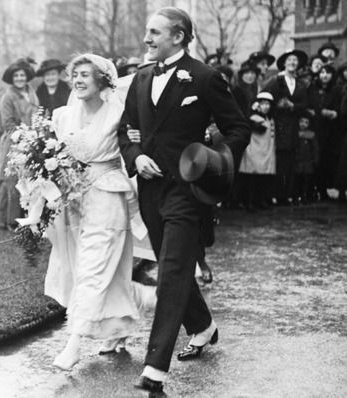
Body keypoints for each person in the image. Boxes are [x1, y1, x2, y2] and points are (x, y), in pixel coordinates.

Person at [118, 7, 250, 393]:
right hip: (151, 192)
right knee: (172, 265)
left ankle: (154, 369)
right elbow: (126, 133)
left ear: (178, 36)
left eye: (155, 33)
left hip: (188, 193)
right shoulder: (142, 77)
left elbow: (238, 128)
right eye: (147, 32)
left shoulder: (206, 78)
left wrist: (214, 159)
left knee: (172, 273)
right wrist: (135, 158)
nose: (147, 39)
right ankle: (203, 327)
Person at [43, 54, 156, 371]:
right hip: (76, 203)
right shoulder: (63, 116)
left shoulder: (119, 113)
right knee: (92, 271)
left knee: (93, 272)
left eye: (85, 75)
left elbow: (141, 141)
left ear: (102, 80)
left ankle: (74, 344)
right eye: (74, 74)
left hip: (108, 198)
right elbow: (53, 156)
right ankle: (123, 323)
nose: (77, 80)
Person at [0, 59, 39, 230]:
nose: (20, 78)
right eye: (16, 76)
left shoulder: (32, 93)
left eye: (22, 75)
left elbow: (36, 115)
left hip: (31, 141)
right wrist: (23, 135)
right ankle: (9, 220)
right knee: (11, 180)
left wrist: (36, 134)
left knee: (30, 179)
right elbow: (8, 123)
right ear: (12, 79)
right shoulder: (8, 97)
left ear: (27, 77)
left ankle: (28, 217)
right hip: (14, 142)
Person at [264, 49, 309, 206]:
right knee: (279, 161)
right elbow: (265, 99)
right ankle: (274, 194)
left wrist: (293, 106)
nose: (292, 63)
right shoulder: (276, 80)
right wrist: (277, 105)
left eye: (295, 60)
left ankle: (286, 195)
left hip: (293, 126)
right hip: (278, 125)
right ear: (284, 63)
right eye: (289, 60)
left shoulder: (301, 83)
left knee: (290, 161)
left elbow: (305, 104)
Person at [308, 64, 341, 200]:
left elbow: (339, 108)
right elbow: (308, 105)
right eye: (322, 72)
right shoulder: (312, 88)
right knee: (313, 159)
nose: (324, 75)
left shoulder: (336, 90)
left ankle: (323, 190)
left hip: (330, 131)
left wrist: (334, 113)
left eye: (328, 73)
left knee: (326, 160)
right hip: (314, 127)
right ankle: (311, 190)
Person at [294, 111, 320, 204]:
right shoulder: (295, 134)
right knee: (297, 180)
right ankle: (296, 197)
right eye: (301, 122)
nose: (303, 124)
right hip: (298, 161)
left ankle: (305, 197)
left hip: (308, 162)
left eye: (306, 122)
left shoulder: (311, 134)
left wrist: (315, 159)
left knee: (307, 180)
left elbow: (315, 148)